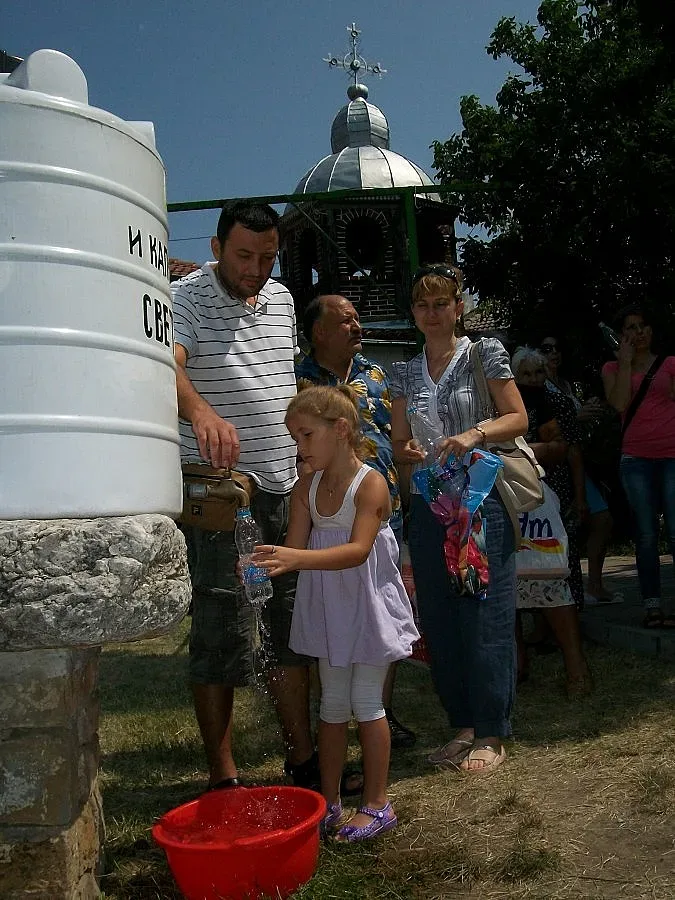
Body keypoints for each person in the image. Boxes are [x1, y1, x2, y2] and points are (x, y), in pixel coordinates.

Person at [171, 201, 315, 791]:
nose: (256, 268)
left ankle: (303, 762)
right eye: (243, 256)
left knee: (291, 627)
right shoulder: (184, 301)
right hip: (222, 493)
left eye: (267, 257)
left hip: (285, 487)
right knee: (221, 630)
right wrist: (203, 412)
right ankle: (224, 776)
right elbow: (163, 366)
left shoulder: (282, 301)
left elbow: (281, 381)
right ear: (215, 247)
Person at [253, 385, 419, 841]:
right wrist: (263, 559)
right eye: (295, 438)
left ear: (340, 430)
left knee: (366, 703)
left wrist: (293, 560)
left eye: (305, 436)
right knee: (330, 705)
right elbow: (296, 545)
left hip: (367, 607)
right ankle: (329, 801)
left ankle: (378, 803)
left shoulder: (371, 484)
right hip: (330, 608)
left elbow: (357, 550)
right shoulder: (306, 485)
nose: (298, 448)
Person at [390, 264, 528, 775]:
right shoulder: (406, 369)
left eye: (441, 303)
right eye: (422, 305)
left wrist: (474, 434)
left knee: (483, 614)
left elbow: (518, 417)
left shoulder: (483, 353)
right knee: (442, 619)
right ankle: (464, 725)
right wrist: (405, 448)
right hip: (429, 503)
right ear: (413, 312)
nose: (432, 313)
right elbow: (401, 444)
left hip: (479, 499)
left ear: (458, 306)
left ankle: (492, 729)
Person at [295, 293, 416, 749]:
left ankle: (377, 714)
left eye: (357, 318)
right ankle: (337, 718)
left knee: (380, 613)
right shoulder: (298, 381)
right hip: (330, 517)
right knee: (333, 615)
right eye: (346, 320)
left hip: (384, 513)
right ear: (319, 331)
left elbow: (391, 437)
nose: (357, 326)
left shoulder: (376, 375)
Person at [512, 347, 592, 696]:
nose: (532, 381)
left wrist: (579, 496)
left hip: (545, 497)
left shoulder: (553, 402)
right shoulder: (493, 399)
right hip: (500, 497)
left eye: (538, 373)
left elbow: (566, 449)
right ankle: (517, 665)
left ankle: (577, 670)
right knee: (504, 586)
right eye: (525, 375)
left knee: (554, 576)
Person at [602, 305, 675, 629]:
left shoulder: (670, 364)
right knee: (646, 533)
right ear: (622, 335)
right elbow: (618, 404)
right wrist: (626, 362)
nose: (639, 332)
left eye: (644, 325)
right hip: (635, 459)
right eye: (631, 327)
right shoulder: (611, 368)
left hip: (671, 454)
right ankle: (652, 604)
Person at [540, 335, 620, 605]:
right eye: (546, 349)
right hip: (557, 468)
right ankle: (570, 597)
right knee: (575, 527)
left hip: (579, 462)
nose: (553, 353)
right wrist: (578, 416)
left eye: (557, 348)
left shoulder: (564, 384)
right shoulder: (541, 388)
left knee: (601, 519)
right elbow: (547, 428)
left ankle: (592, 585)